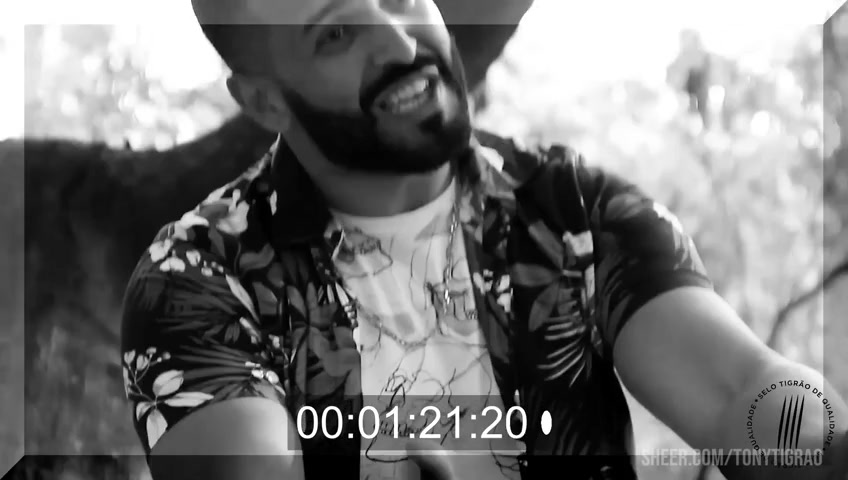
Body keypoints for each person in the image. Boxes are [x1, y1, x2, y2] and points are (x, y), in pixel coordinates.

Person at [119, 1, 848, 479]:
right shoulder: (196, 275)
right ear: (264, 99)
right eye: (337, 33)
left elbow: (737, 389)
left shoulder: (573, 209)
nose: (400, 41)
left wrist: (824, 440)